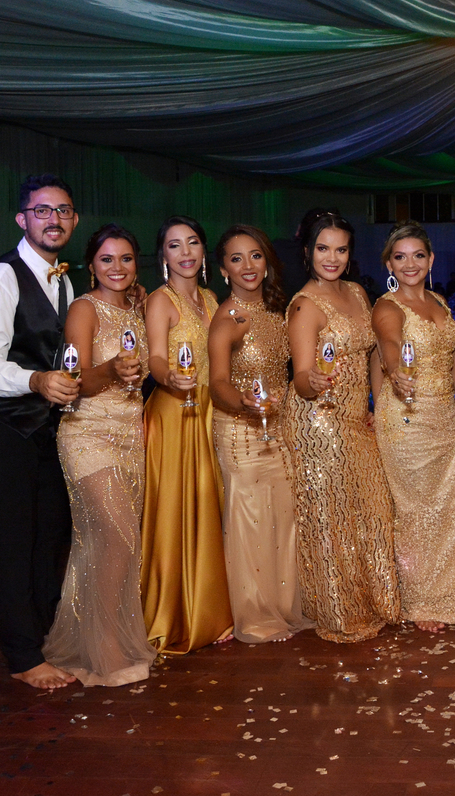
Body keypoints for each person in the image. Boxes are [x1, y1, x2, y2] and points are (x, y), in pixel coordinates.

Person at [0, 174, 80, 689]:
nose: (54, 219)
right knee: (12, 540)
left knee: (50, 533)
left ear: (74, 220)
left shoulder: (64, 281)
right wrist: (37, 380)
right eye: (42, 210)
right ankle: (24, 658)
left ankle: (43, 635)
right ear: (22, 219)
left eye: (63, 210)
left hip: (37, 426)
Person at [42, 224, 155, 686]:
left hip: (129, 437)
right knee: (118, 535)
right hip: (87, 435)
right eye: (107, 259)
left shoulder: (138, 308)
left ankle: (98, 635)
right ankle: (104, 646)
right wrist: (109, 369)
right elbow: (74, 382)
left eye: (126, 258)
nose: (117, 267)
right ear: (92, 265)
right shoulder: (84, 309)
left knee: (110, 545)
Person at [283, 212, 401, 643]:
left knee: (373, 507)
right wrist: (312, 382)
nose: (331, 258)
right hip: (318, 420)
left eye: (340, 249)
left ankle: (375, 599)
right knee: (333, 516)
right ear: (308, 252)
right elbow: (300, 377)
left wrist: (374, 403)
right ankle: (340, 608)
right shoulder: (304, 306)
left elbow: (372, 355)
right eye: (323, 248)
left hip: (355, 416)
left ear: (350, 254)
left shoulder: (356, 292)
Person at [372, 221, 455, 633]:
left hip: (447, 418)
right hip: (407, 421)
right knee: (417, 512)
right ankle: (421, 600)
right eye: (400, 257)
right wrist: (395, 369)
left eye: (418, 255)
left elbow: (454, 359)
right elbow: (389, 343)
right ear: (389, 264)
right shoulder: (387, 307)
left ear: (431, 259)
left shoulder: (439, 301)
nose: (410, 264)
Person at [207, 225, 311, 644]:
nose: (247, 266)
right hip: (240, 430)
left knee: (283, 518)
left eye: (255, 256)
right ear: (223, 270)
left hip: (280, 427)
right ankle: (254, 614)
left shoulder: (277, 312)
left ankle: (283, 607)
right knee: (250, 519)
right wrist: (244, 403)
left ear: (267, 262)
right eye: (236, 259)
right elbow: (217, 384)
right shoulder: (226, 319)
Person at [140, 216, 233, 654]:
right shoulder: (160, 301)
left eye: (192, 242)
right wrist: (169, 379)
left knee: (208, 505)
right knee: (175, 512)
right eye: (175, 245)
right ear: (163, 255)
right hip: (175, 414)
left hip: (209, 409)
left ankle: (209, 610)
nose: (185, 253)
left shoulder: (212, 299)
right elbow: (156, 358)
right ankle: (170, 615)